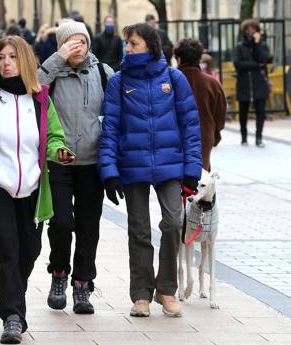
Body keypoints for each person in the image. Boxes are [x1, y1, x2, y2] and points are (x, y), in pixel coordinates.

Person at [0, 36, 74, 344]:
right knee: (7, 252)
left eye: (12, 57)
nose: (5, 63)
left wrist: (59, 150)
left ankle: (13, 296)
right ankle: (13, 317)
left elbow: (53, 137)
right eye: (0, 58)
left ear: (25, 61)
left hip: (34, 191)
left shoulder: (41, 99)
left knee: (30, 251)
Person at [99, 23, 202, 319]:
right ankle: (141, 294)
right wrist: (109, 171)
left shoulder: (174, 78)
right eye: (127, 43)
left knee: (173, 222)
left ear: (150, 46)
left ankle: (167, 289)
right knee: (139, 230)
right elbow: (110, 128)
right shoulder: (119, 81)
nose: (127, 48)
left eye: (133, 43)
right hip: (132, 165)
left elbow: (190, 126)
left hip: (171, 165)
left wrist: (192, 169)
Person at [38, 21, 114, 315]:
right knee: (60, 222)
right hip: (57, 161)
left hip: (91, 162)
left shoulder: (102, 73)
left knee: (88, 226)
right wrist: (57, 58)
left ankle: (82, 284)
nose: (77, 47)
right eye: (71, 42)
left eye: (82, 41)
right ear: (61, 45)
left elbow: (114, 115)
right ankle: (59, 273)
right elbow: (32, 88)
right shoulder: (52, 73)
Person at [175, 38, 227, 171]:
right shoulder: (212, 83)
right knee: (202, 176)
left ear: (179, 58)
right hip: (205, 135)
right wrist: (214, 133)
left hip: (175, 137)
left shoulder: (169, 82)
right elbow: (220, 116)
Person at [233, 18, 270, 147]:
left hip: (259, 83)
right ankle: (244, 137)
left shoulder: (262, 45)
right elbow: (238, 64)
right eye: (248, 29)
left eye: (253, 29)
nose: (251, 31)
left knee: (261, 112)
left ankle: (259, 137)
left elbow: (264, 59)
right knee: (243, 112)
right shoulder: (240, 46)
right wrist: (256, 65)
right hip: (244, 83)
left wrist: (257, 44)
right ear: (244, 31)